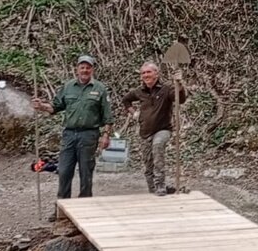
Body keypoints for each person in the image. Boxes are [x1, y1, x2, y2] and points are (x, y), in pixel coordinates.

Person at [32, 55, 114, 218]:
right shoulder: (68, 87)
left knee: (86, 172)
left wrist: (105, 136)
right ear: (77, 69)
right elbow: (55, 107)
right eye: (82, 67)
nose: (85, 70)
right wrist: (41, 106)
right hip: (69, 134)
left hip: (89, 135)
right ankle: (62, 210)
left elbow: (108, 117)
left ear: (92, 69)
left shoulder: (100, 88)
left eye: (88, 67)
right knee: (64, 170)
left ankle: (85, 208)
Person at [121, 61, 186, 196]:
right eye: (143, 73)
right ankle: (153, 189)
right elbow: (126, 100)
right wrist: (134, 113)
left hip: (163, 129)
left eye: (149, 72)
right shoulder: (139, 91)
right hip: (145, 132)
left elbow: (180, 99)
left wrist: (179, 84)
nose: (146, 75)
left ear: (156, 73)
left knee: (157, 147)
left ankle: (160, 185)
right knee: (148, 162)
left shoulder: (166, 88)